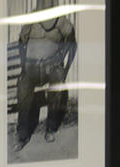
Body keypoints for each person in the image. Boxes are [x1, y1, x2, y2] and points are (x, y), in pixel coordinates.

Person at [13, 0, 77, 152]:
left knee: (57, 82)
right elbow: (21, 42)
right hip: (31, 67)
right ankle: (22, 136)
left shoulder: (62, 21)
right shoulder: (31, 19)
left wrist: (65, 67)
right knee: (23, 89)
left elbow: (72, 44)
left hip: (51, 66)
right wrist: (24, 67)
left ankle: (51, 128)